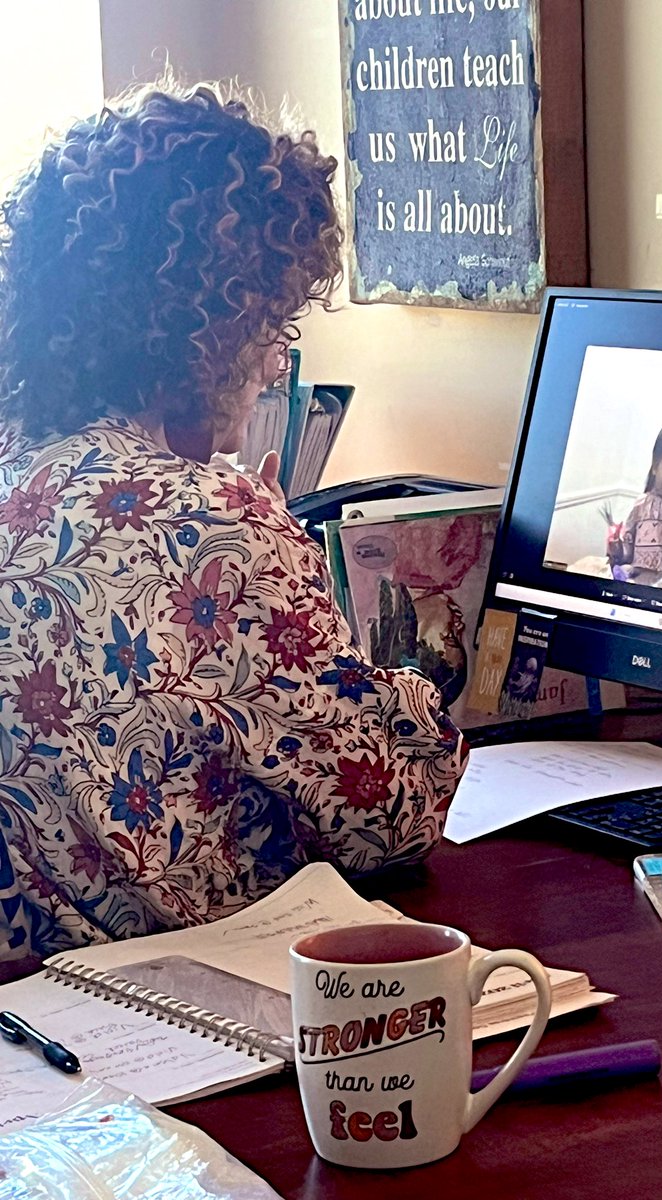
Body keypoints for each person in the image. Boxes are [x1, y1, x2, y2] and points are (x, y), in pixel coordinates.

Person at [0, 80, 466, 958]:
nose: (276, 355)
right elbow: (389, 814)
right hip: (183, 1019)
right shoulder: (209, 524)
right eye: (275, 319)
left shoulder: (16, 463)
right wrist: (410, 677)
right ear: (202, 329)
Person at [609, 419, 662, 580]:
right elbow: (627, 552)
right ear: (655, 466)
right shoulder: (640, 506)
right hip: (638, 581)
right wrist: (617, 549)